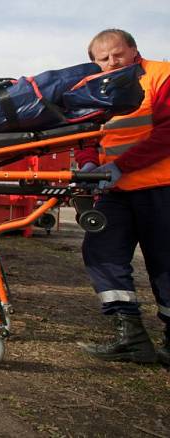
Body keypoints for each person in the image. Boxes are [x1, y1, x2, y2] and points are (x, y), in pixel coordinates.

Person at [77, 29, 170, 365]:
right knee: (100, 252)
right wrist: (88, 162)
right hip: (115, 190)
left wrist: (122, 166)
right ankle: (130, 336)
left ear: (133, 50)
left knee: (165, 263)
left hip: (160, 185)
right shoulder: (98, 91)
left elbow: (167, 132)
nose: (111, 63)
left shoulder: (162, 75)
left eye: (117, 55)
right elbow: (86, 134)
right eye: (103, 59)